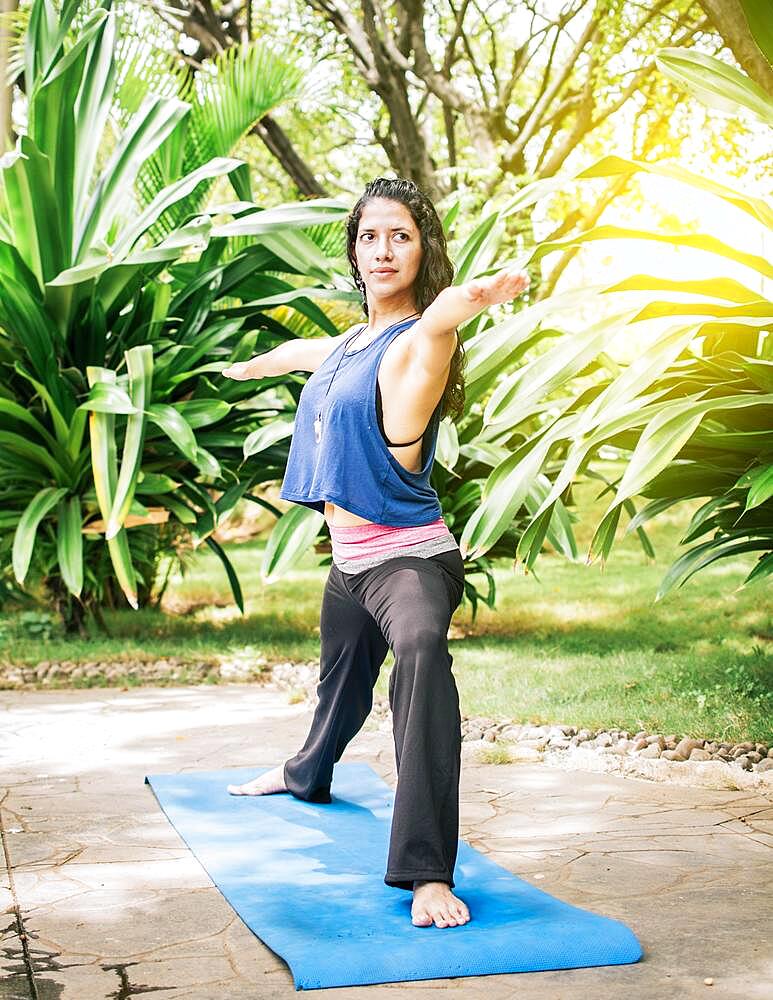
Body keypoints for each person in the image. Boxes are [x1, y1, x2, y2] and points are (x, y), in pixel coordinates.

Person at [222, 176, 529, 929]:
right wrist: (257, 365)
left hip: (408, 564)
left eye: (401, 236)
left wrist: (475, 297)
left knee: (420, 655)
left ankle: (426, 872)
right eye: (369, 236)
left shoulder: (417, 341)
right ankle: (304, 773)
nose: (382, 249)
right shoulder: (350, 343)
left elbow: (441, 323)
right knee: (339, 689)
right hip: (349, 565)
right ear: (354, 250)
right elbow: (311, 353)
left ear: (423, 252)